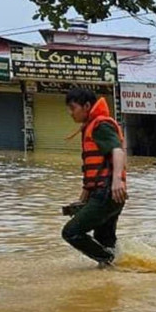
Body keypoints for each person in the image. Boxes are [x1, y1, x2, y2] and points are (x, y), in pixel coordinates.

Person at [60, 88, 128, 267]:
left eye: (73, 108)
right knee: (104, 238)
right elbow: (95, 169)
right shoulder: (93, 125)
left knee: (71, 232)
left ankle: (109, 261)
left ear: (87, 106)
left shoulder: (100, 125)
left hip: (107, 192)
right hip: (110, 194)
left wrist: (117, 181)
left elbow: (117, 151)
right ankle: (119, 271)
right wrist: (82, 198)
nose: (70, 113)